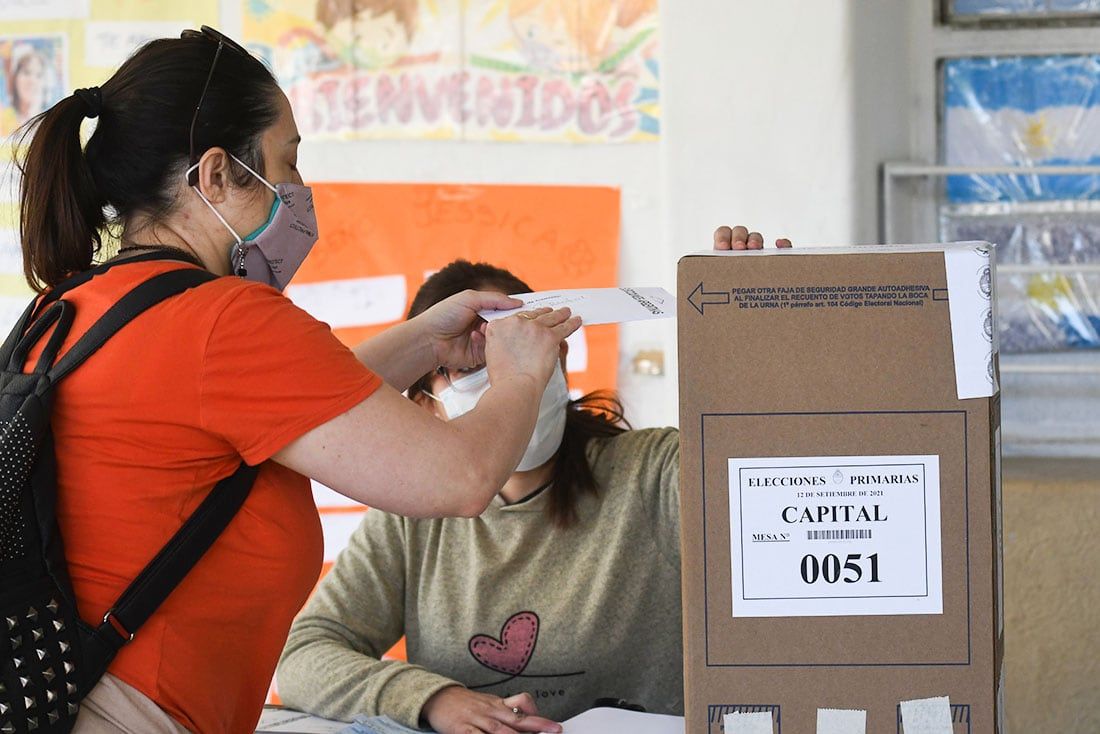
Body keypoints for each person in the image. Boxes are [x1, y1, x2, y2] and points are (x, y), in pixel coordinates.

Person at [13, 27, 580, 734]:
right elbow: (460, 478)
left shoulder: (75, 309)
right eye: (287, 162)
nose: (301, 192)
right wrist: (522, 373)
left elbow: (285, 421)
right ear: (215, 174)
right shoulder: (224, 320)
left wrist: (428, 335)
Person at [278, 229, 791, 734]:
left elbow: (775, 485)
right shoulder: (411, 515)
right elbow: (305, 655)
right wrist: (433, 698)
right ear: (425, 402)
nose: (511, 385)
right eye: (473, 369)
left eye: (527, 359)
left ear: (563, 362)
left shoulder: (651, 471)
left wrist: (758, 337)